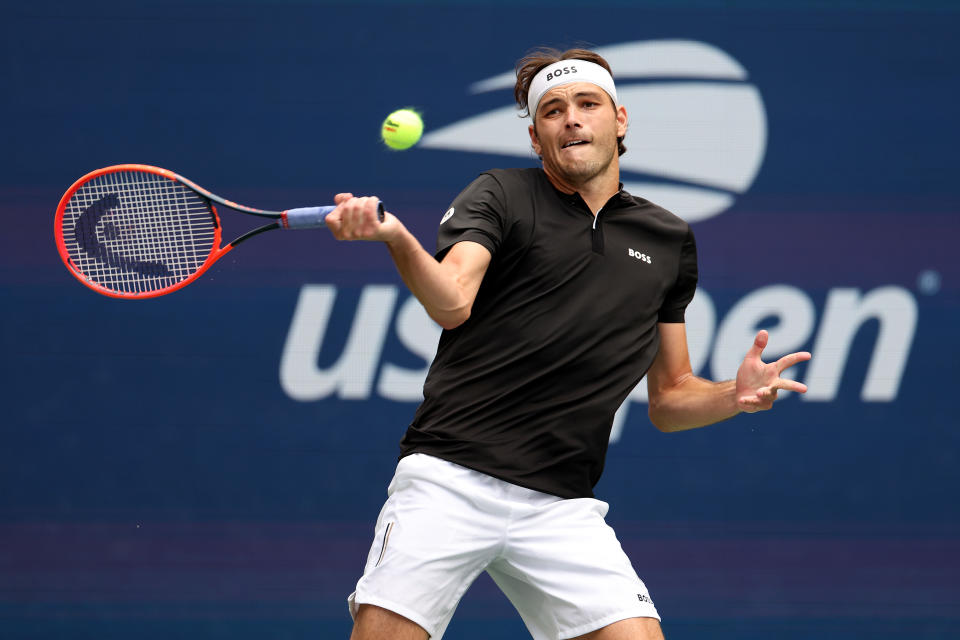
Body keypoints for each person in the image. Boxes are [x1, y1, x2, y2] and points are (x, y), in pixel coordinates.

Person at [325, 47, 811, 640]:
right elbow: (452, 300)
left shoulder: (668, 239)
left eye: (587, 104)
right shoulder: (500, 194)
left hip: (561, 503)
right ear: (536, 137)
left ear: (620, 118)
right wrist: (398, 239)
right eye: (553, 111)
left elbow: (671, 397)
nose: (572, 119)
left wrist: (732, 395)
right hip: (450, 480)